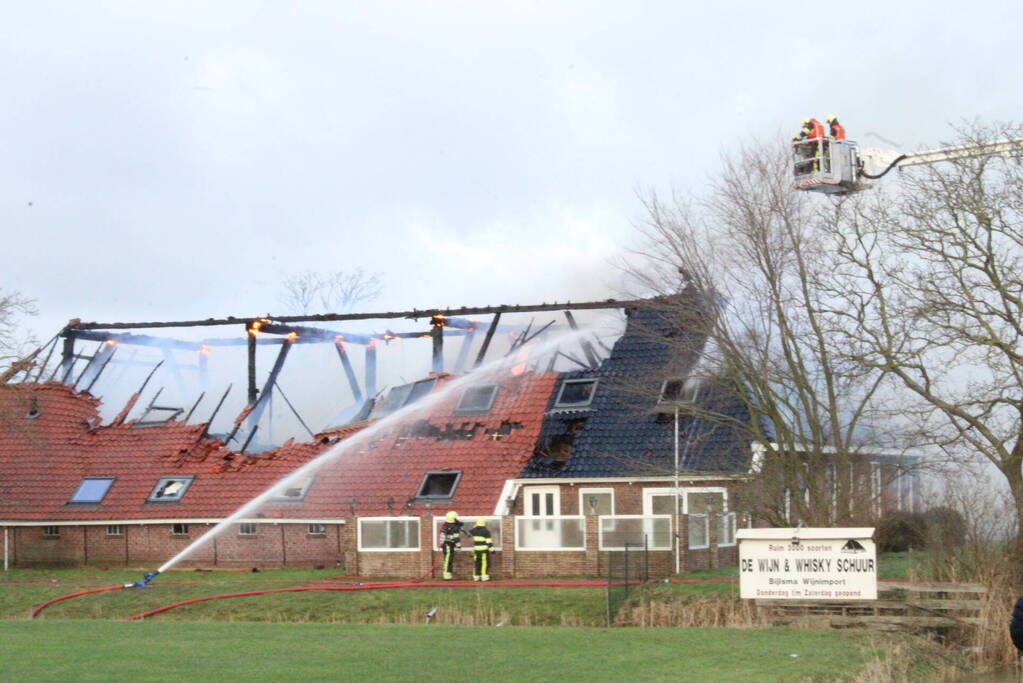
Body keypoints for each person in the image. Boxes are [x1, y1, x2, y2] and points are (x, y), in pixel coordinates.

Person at [440, 510, 464, 580]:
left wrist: (442, 544)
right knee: (448, 560)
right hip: (449, 545)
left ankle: (448, 575)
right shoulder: (455, 527)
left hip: (447, 545)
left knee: (448, 560)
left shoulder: (445, 525)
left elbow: (442, 536)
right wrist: (458, 546)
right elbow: (456, 538)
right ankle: (446, 575)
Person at [470, 517, 494, 582]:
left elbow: (471, 531)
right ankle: (484, 577)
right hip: (483, 551)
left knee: (477, 563)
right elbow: (489, 541)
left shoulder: (474, 531)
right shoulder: (486, 531)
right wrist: (492, 550)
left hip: (476, 550)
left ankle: (476, 577)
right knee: (484, 563)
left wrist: (475, 526)